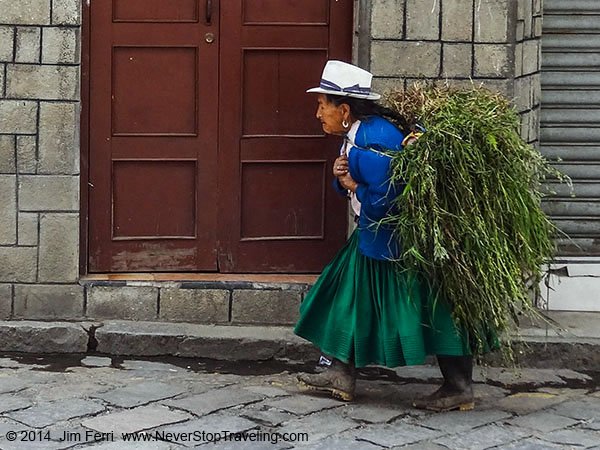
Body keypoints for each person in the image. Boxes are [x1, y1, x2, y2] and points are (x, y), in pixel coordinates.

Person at [293, 60, 475, 412]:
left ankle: (459, 386)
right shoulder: (360, 135)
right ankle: (339, 374)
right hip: (377, 238)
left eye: (321, 105)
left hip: (397, 244)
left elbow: (390, 200)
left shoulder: (373, 143)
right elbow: (354, 181)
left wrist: (352, 185)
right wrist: (340, 177)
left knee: (435, 309)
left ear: (344, 109)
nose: (318, 114)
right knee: (340, 294)